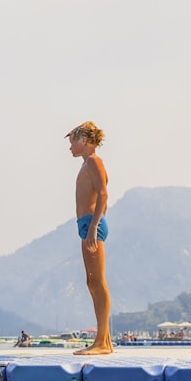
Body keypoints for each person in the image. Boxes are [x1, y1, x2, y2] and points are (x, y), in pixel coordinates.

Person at [67, 121, 112, 355]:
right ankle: (105, 341)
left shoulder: (94, 161)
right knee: (91, 281)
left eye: (72, 141)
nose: (70, 147)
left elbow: (104, 193)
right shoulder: (87, 163)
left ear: (83, 139)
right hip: (86, 224)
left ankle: (102, 342)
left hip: (91, 224)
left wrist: (94, 227)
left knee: (97, 280)